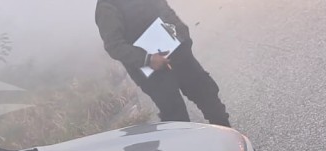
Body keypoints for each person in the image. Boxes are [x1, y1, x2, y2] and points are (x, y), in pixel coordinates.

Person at [95, 0, 230, 127]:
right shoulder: (107, 6)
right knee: (177, 119)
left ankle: (231, 142)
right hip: (153, 74)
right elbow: (114, 45)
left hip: (180, 55)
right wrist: (148, 59)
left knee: (208, 96)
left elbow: (165, 10)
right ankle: (189, 150)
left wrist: (183, 33)